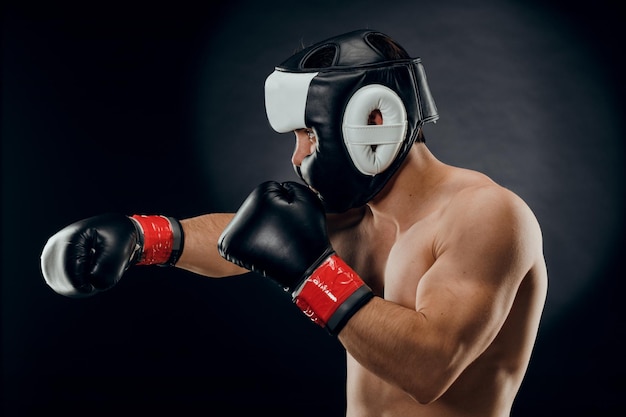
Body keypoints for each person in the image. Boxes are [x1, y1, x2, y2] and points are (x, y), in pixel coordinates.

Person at [40, 29, 548, 417]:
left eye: (309, 133)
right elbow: (241, 237)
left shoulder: (486, 214)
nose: (297, 154)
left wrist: (312, 273)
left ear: (375, 118)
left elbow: (429, 367)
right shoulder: (359, 218)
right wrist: (142, 236)